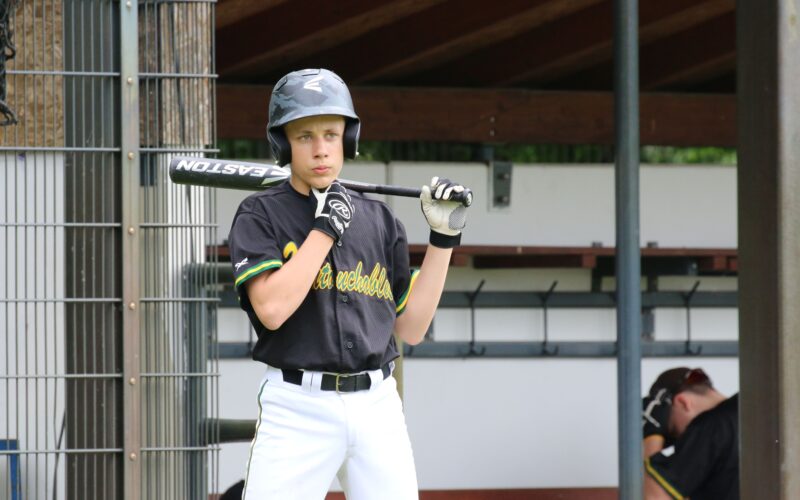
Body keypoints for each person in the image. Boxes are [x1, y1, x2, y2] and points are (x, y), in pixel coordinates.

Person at [227, 68, 469, 500]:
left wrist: (443, 240)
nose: (320, 149)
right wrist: (325, 229)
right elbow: (272, 310)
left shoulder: (379, 219)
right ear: (283, 143)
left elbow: (412, 328)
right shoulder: (260, 214)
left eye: (331, 135)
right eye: (304, 136)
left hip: (377, 405)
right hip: (297, 406)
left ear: (348, 139)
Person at [641, 367, 739, 500]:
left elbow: (655, 497)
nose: (681, 439)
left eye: (674, 431)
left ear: (683, 402)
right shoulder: (745, 410)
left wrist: (651, 433)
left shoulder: (708, 425)